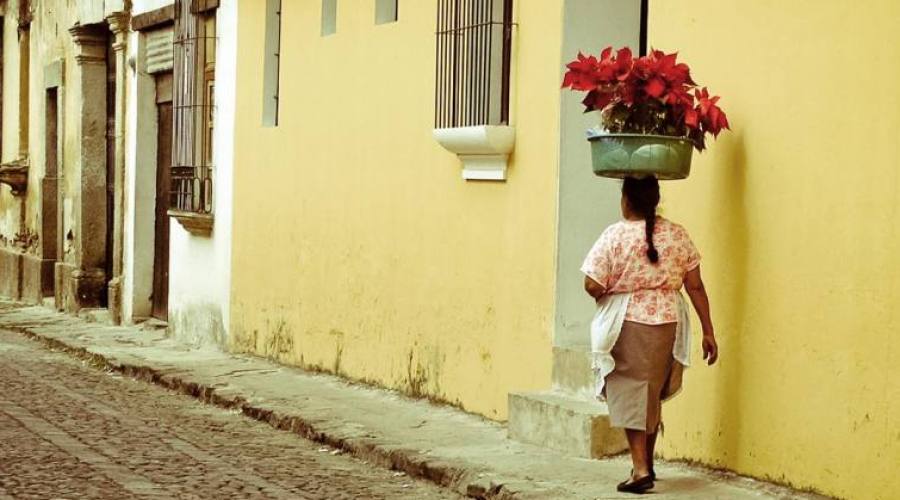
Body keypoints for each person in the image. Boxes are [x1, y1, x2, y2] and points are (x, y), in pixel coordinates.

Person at [581, 176, 718, 494]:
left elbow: (591, 283)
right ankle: (647, 463)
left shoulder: (614, 235)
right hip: (669, 322)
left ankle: (640, 469)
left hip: (627, 323)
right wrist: (708, 331)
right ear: (655, 200)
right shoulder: (677, 234)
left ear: (626, 200)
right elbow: (694, 285)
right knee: (651, 394)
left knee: (630, 392)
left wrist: (610, 289)